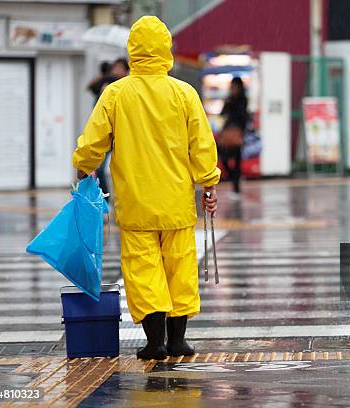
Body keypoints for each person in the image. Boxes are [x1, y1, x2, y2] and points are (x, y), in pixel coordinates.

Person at [72, 16, 220, 360]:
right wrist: (208, 181)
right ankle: (178, 340)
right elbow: (201, 145)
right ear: (166, 50)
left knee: (143, 269)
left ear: (133, 51)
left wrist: (83, 166)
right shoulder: (184, 93)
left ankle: (154, 343)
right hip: (176, 202)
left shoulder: (117, 93)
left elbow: (94, 141)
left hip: (136, 202)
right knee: (180, 268)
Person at [94, 59, 130, 202]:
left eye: (120, 67)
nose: (117, 70)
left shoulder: (127, 88)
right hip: (109, 134)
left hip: (123, 136)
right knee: (101, 169)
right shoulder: (108, 87)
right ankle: (106, 200)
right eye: (115, 67)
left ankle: (117, 200)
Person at [220, 76, 248, 197]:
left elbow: (242, 115)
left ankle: (236, 188)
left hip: (237, 133)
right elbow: (223, 112)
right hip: (227, 133)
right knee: (224, 158)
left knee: (237, 162)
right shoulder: (229, 98)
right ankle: (233, 180)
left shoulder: (242, 99)